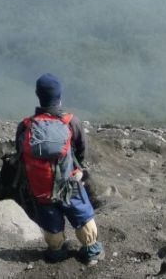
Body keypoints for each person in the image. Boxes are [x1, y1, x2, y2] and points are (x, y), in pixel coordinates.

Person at [16, 73, 105, 265]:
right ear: (59, 96)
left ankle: (56, 253)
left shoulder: (25, 126)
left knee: (51, 224)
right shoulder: (71, 122)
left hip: (40, 188)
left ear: (38, 95)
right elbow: (81, 150)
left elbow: (20, 154)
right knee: (82, 216)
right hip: (69, 182)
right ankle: (92, 252)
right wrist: (77, 167)